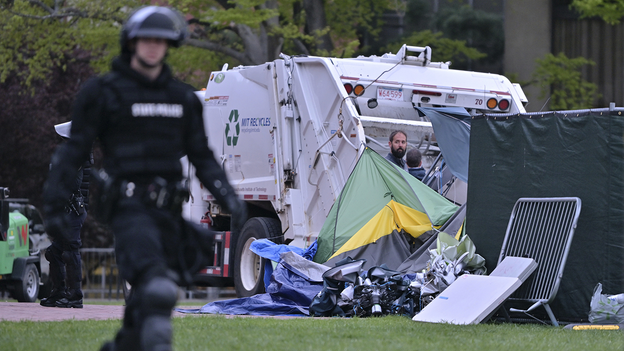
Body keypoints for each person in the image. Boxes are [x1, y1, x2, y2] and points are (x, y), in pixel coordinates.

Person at [42, 6, 246, 351]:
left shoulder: (183, 99)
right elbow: (73, 152)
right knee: (158, 290)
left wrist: (229, 197)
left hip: (169, 212)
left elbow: (202, 156)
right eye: (146, 39)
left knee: (147, 298)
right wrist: (54, 207)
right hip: (128, 208)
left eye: (161, 41)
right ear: (131, 43)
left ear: (170, 46)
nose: (153, 46)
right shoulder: (102, 93)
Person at [40, 122, 91, 308]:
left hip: (74, 211)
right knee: (54, 253)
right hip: (66, 210)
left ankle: (75, 296)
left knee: (70, 252)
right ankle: (59, 292)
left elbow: (74, 184)